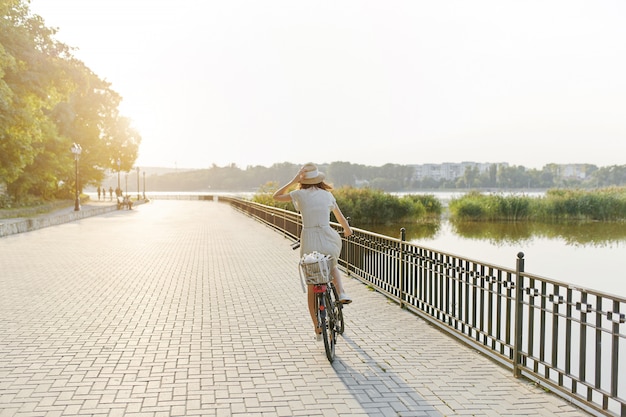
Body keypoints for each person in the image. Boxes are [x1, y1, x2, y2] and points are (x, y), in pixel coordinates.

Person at [273, 163, 353, 339]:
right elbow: (340, 218)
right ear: (319, 180)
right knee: (332, 265)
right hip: (327, 237)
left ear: (303, 180)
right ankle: (341, 293)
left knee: (312, 284)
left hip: (308, 241)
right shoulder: (327, 195)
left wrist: (293, 181)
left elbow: (276, 196)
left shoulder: (299, 194)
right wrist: (347, 231)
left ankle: (317, 327)